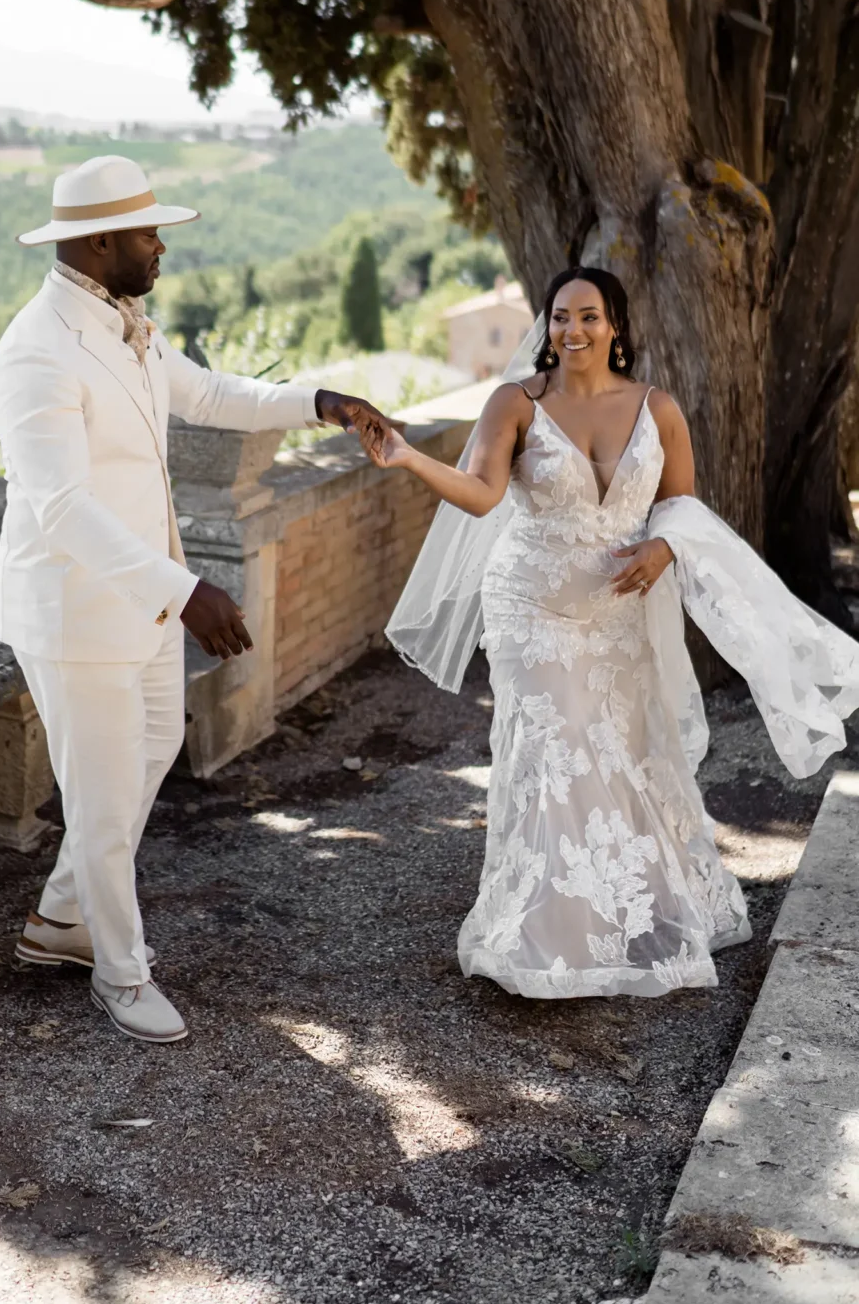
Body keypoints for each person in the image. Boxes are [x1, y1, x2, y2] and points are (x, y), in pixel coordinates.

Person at [359, 266, 859, 999]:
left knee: (627, 751)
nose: (573, 331)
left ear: (616, 325)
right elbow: (481, 494)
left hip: (619, 613)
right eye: (560, 317)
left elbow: (680, 508)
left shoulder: (659, 409)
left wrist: (664, 549)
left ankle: (632, 907)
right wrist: (406, 455)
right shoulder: (516, 403)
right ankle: (546, 937)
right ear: (547, 326)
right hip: (531, 609)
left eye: (589, 317)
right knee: (555, 751)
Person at [0, 153, 386, 1043]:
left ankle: (59, 919)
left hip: (145, 607)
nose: (161, 245)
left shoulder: (128, 323)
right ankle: (121, 978)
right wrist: (188, 588)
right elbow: (61, 509)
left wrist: (319, 399)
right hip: (77, 612)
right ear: (97, 243)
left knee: (150, 753)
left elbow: (208, 393)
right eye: (146, 232)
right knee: (99, 801)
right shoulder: (36, 352)